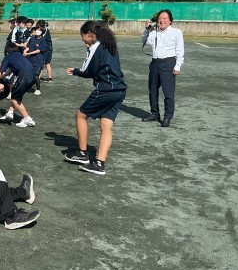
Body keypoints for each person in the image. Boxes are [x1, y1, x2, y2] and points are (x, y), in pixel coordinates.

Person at [65, 21, 127, 175]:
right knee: (106, 126)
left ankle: (82, 154)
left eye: (83, 37)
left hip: (106, 89)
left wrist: (76, 71)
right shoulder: (109, 45)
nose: (83, 40)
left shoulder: (97, 47)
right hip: (119, 90)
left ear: (90, 34)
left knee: (81, 115)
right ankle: (99, 164)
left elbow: (88, 70)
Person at [141, 9, 184, 127]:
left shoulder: (176, 32)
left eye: (165, 18)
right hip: (155, 63)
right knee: (152, 90)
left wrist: (178, 66)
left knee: (168, 92)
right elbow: (144, 41)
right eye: (160, 18)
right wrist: (147, 30)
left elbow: (180, 50)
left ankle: (167, 117)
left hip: (168, 63)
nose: (162, 20)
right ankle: (155, 113)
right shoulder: (154, 32)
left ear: (170, 21)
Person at [0, 43, 37, 128]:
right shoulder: (20, 56)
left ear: (6, 51)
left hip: (23, 77)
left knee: (14, 99)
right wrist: (2, 77)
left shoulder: (8, 57)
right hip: (32, 77)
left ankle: (28, 119)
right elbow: (11, 70)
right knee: (15, 94)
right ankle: (10, 112)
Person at [24, 26, 46, 96]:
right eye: (37, 30)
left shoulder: (43, 40)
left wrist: (28, 53)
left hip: (38, 61)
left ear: (42, 32)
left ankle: (38, 89)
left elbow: (38, 51)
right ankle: (28, 87)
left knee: (36, 75)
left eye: (39, 30)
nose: (37, 31)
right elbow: (28, 47)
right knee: (29, 74)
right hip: (30, 59)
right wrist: (25, 51)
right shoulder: (32, 38)